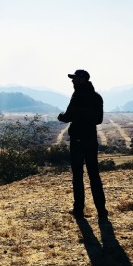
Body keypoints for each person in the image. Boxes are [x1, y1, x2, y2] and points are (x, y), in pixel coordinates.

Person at [58, 69, 108, 220]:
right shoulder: (97, 97)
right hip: (91, 140)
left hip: (78, 140)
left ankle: (78, 210)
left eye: (74, 79)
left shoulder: (77, 96)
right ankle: (102, 211)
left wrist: (62, 116)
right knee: (94, 175)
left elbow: (68, 117)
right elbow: (98, 120)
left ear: (82, 79)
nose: (72, 81)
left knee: (78, 176)